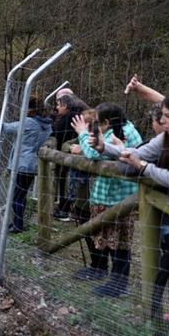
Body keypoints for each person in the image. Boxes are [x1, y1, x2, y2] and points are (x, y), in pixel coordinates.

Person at [92, 83, 169, 326]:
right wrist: (105, 148)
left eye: (167, 117)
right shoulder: (167, 138)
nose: (161, 121)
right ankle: (165, 322)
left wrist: (145, 169)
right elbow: (137, 153)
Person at [71, 103, 142, 297]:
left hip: (118, 199)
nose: (95, 128)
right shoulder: (120, 130)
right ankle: (113, 279)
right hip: (109, 196)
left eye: (96, 123)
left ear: (107, 122)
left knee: (120, 244)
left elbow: (94, 152)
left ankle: (119, 285)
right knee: (111, 241)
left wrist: (82, 133)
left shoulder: (120, 133)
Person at [0, 96, 53, 233]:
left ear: (30, 108)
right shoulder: (47, 125)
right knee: (21, 195)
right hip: (33, 164)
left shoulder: (29, 122)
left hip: (22, 164)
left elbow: (6, 127)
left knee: (17, 197)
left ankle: (18, 225)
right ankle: (18, 223)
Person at [65, 107, 108, 281]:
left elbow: (98, 154)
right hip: (82, 193)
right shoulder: (84, 136)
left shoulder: (100, 137)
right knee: (85, 226)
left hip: (96, 194)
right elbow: (66, 144)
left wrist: (81, 150)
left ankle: (100, 266)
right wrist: (73, 147)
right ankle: (95, 264)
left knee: (95, 229)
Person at [52, 93, 86, 220]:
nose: (57, 108)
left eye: (58, 105)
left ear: (65, 106)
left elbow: (57, 133)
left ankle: (65, 209)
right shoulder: (78, 115)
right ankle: (69, 209)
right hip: (71, 155)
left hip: (69, 155)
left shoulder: (70, 117)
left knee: (66, 183)